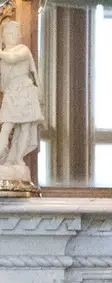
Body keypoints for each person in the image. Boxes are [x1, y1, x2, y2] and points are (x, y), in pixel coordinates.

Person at [0, 20, 43, 175]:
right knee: (6, 126)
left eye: (13, 33)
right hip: (11, 93)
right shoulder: (3, 56)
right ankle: (3, 156)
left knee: (25, 127)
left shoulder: (23, 50)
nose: (11, 36)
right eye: (7, 34)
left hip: (25, 92)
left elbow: (12, 58)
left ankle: (18, 158)